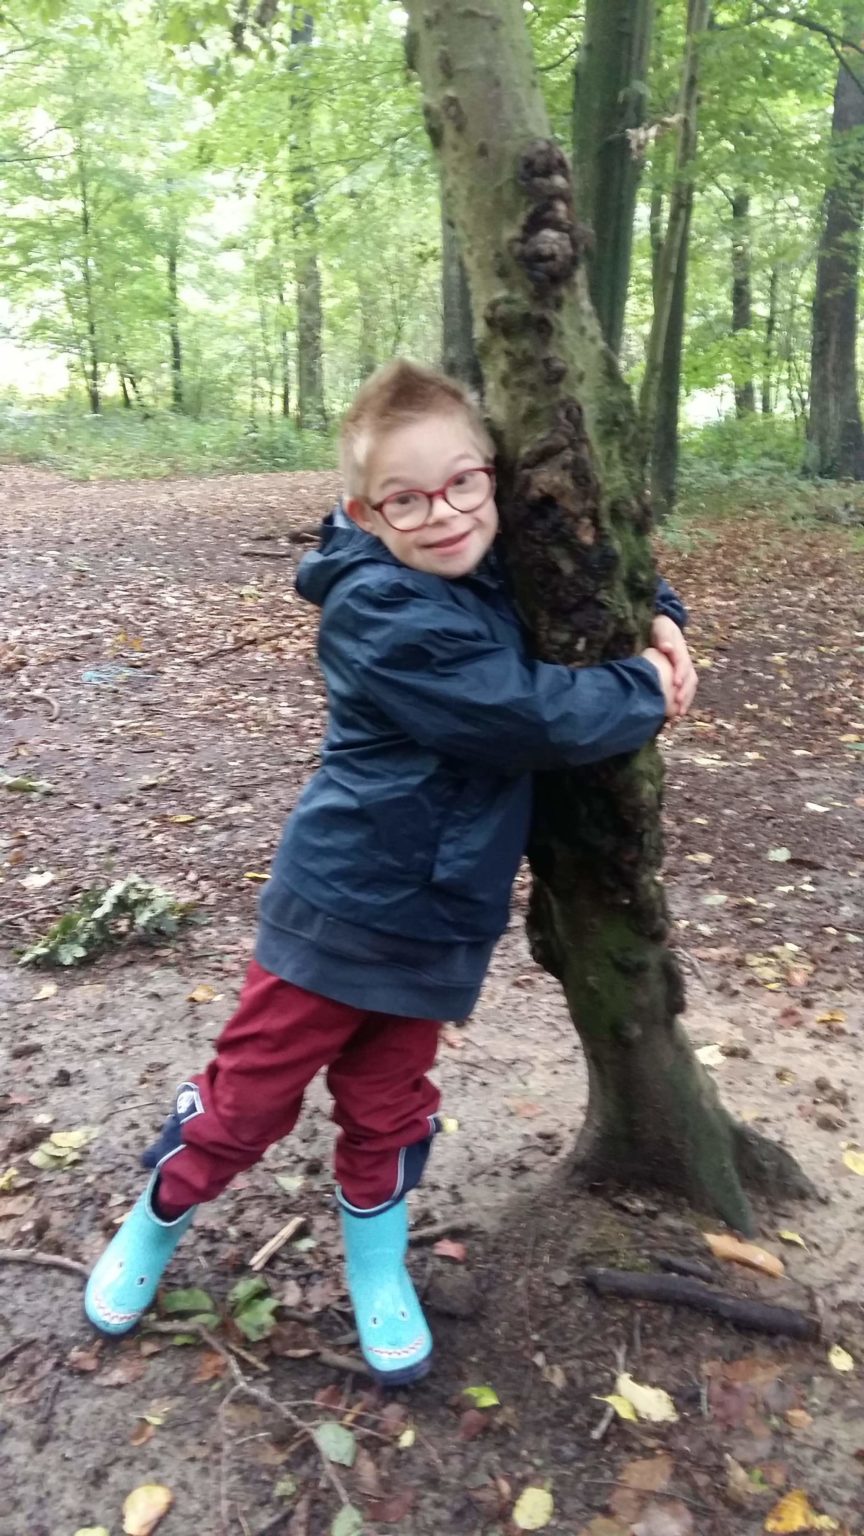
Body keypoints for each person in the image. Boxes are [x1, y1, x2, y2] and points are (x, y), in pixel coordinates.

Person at [84, 360, 697, 1385]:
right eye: (407, 499)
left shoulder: (494, 560)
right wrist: (646, 685)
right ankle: (154, 1221)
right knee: (246, 1102)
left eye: (463, 484)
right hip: (338, 914)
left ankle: (376, 1269)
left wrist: (665, 617)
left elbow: (602, 578)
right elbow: (520, 715)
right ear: (368, 514)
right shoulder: (379, 607)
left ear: (495, 481)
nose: (444, 514)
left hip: (441, 920)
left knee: (390, 1106)